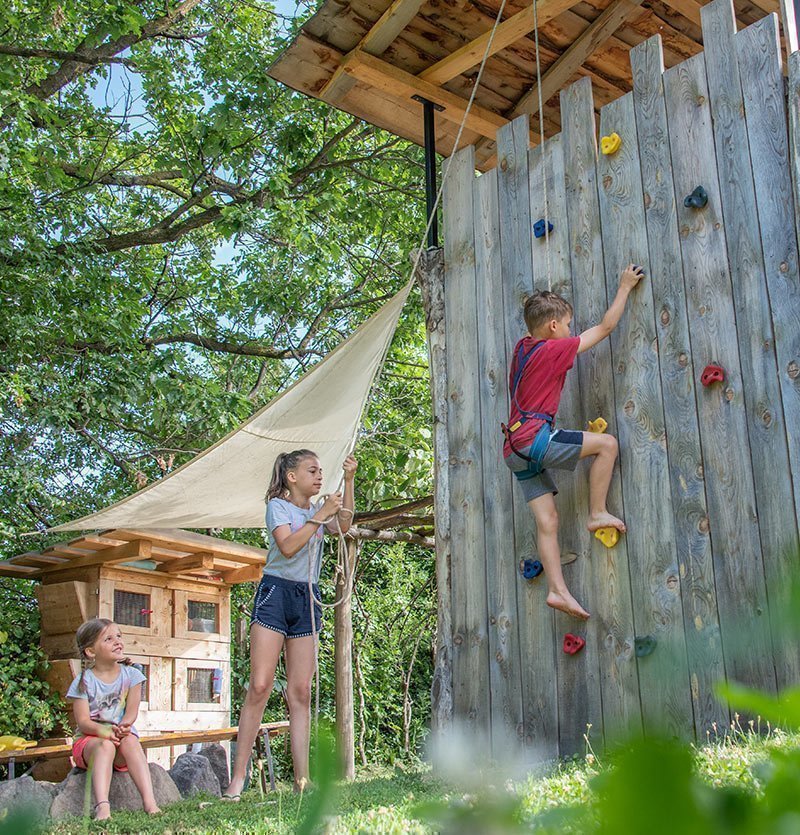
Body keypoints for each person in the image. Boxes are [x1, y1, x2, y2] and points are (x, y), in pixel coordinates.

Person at [502, 265, 644, 620]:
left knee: (548, 522)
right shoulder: (553, 350)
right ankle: (597, 512)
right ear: (553, 327)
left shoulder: (523, 348)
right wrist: (625, 286)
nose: (569, 330)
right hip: (535, 439)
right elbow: (606, 328)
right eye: (566, 324)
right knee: (607, 444)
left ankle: (557, 590)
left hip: (514, 451)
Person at [224, 449, 357, 799]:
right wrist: (319, 518)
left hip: (307, 597)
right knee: (259, 685)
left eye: (320, 471)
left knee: (301, 691)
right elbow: (286, 547)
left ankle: (302, 779)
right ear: (292, 477)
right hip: (275, 594)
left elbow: (343, 524)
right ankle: (238, 778)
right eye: (311, 470)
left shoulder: (317, 510)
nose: (318, 475)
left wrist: (349, 479)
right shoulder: (278, 508)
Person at [66, 618, 160, 821]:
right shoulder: (83, 681)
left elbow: (131, 713)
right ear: (91, 651)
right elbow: (83, 722)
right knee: (105, 747)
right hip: (90, 742)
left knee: (132, 742)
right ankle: (103, 807)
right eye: (109, 639)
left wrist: (124, 727)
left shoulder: (132, 676)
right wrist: (105, 732)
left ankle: (150, 803)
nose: (118, 641)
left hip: (120, 737)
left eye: (119, 636)